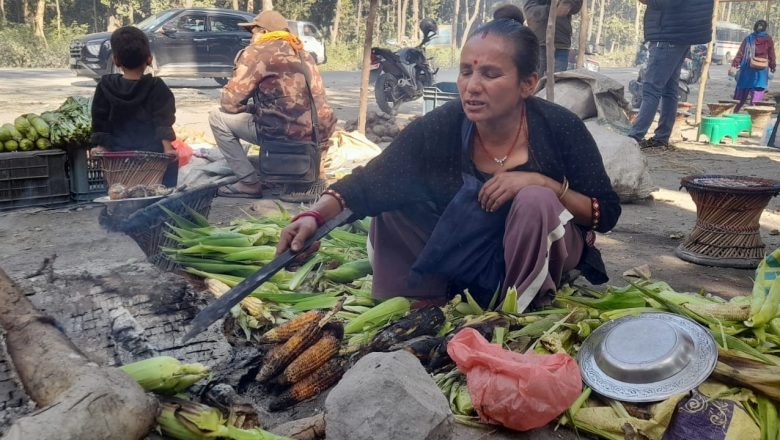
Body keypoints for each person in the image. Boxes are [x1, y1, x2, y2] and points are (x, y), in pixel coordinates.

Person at [276, 9, 621, 311]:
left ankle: (516, 309)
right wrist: (312, 216)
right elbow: (371, 181)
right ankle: (423, 299)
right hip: (472, 245)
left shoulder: (559, 127)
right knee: (396, 195)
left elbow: (604, 214)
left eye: (489, 74)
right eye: (466, 71)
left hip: (542, 253)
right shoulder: (444, 124)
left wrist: (543, 183)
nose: (471, 86)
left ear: (527, 84)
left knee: (535, 200)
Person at [209, 10, 336, 201]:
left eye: (253, 32)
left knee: (216, 117)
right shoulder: (302, 52)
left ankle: (248, 183)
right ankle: (307, 173)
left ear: (262, 31)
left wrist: (248, 108)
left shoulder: (258, 52)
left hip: (283, 133)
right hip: (318, 135)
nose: (251, 37)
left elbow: (230, 103)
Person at [90, 26, 178, 187]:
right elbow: (163, 119)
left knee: (118, 190)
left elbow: (100, 120)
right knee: (168, 176)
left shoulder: (105, 85)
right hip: (152, 156)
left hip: (117, 157)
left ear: (116, 61)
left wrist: (100, 146)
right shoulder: (157, 86)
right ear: (149, 59)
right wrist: (168, 149)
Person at [628, 0, 713, 150]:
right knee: (669, 90)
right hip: (678, 34)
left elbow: (662, 3)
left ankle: (635, 136)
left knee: (651, 89)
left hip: (668, 35)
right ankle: (661, 137)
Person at [523, 0, 582, 74]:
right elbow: (529, 11)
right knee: (536, 79)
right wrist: (550, 10)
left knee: (558, 81)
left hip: (561, 43)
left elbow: (577, 5)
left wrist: (568, 4)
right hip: (540, 43)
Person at [731, 20, 776, 113]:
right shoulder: (768, 39)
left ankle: (734, 111)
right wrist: (772, 65)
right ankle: (754, 114)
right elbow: (771, 54)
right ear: (765, 28)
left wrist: (735, 64)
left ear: (755, 27)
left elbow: (741, 52)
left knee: (741, 92)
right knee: (757, 93)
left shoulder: (749, 38)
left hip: (748, 68)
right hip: (761, 71)